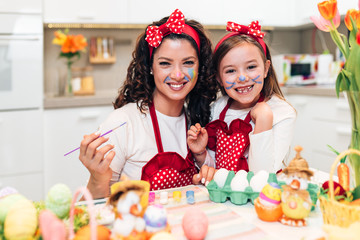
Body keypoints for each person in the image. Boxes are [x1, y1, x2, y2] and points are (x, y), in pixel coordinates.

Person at [79, 9, 217, 198]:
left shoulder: (199, 120)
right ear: (150, 67)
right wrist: (97, 179)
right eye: (165, 63)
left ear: (200, 67)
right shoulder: (123, 122)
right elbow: (96, 206)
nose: (178, 74)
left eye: (188, 63)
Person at [188, 21, 296, 185]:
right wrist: (201, 154)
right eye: (231, 71)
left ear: (266, 69)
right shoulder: (217, 107)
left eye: (251, 67)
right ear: (219, 78)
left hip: (260, 201)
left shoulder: (282, 112)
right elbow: (215, 169)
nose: (242, 77)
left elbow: (262, 177)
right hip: (224, 198)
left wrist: (264, 119)